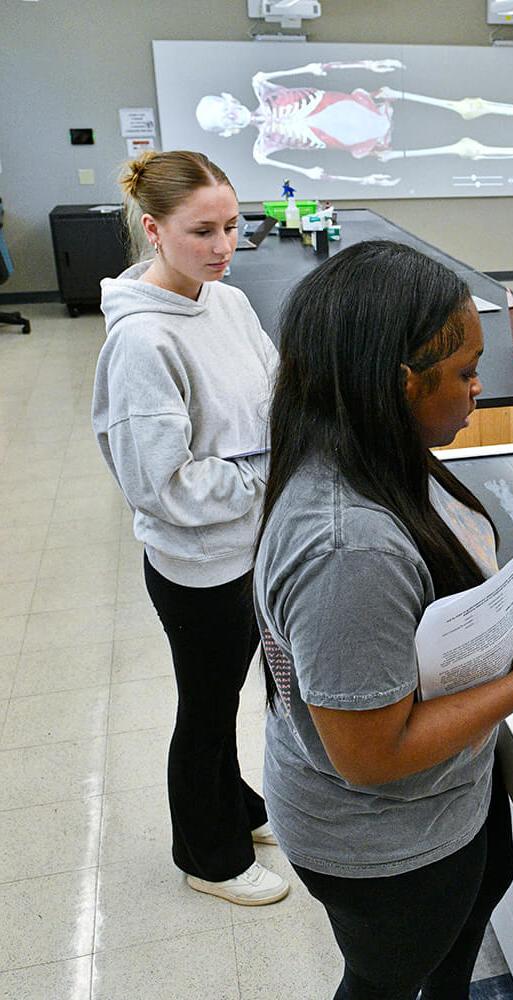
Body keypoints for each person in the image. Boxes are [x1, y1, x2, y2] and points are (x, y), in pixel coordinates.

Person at [253, 241, 513, 999]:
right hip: (386, 843)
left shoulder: (372, 449)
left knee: (452, 944)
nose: (477, 390)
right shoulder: (348, 547)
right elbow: (369, 755)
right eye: (462, 373)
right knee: (389, 980)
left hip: (443, 805)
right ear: (396, 384)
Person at [92, 150, 286, 904]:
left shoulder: (226, 302)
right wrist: (269, 469)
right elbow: (164, 486)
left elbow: (273, 394)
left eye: (233, 227)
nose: (222, 246)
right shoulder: (143, 341)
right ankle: (208, 857)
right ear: (153, 229)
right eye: (202, 231)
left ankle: (233, 807)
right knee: (205, 711)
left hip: (252, 544)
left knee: (235, 691)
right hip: (200, 562)